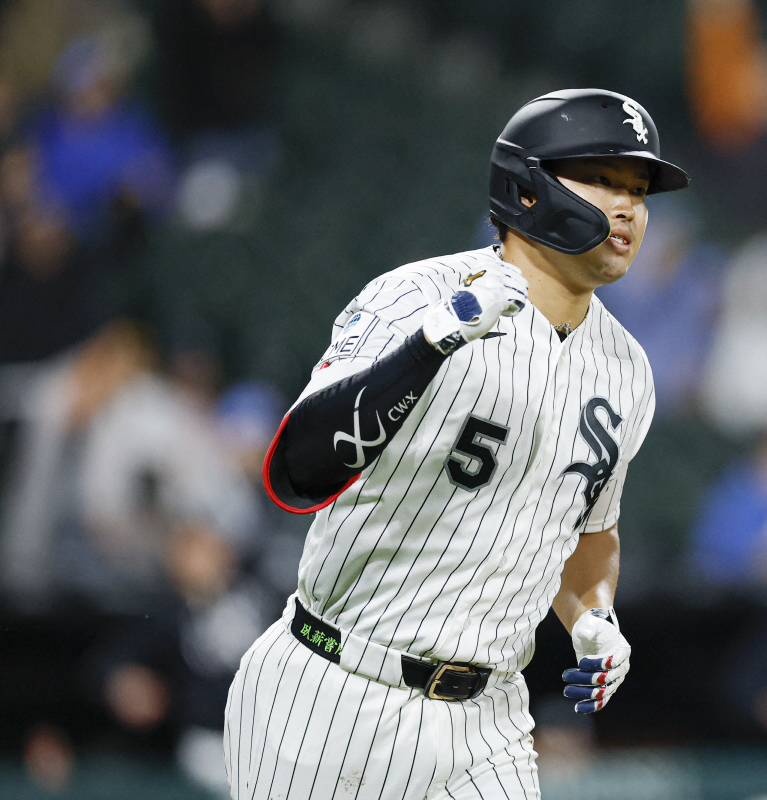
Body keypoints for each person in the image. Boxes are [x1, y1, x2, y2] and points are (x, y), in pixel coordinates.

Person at [223, 89, 689, 800]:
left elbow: (587, 530)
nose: (628, 208)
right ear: (528, 188)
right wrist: (429, 345)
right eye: (602, 180)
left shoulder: (627, 370)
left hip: (488, 721)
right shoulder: (418, 298)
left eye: (638, 190)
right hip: (336, 692)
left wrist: (593, 615)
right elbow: (297, 472)